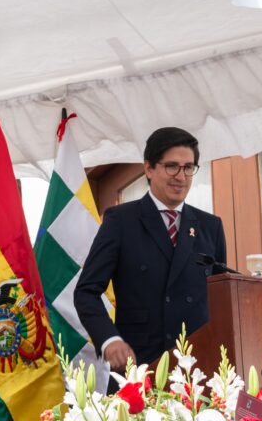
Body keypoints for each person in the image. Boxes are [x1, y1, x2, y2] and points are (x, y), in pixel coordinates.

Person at [74, 126, 227, 374]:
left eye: (189, 167)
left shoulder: (210, 226)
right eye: (172, 166)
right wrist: (109, 339)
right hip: (138, 367)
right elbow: (86, 292)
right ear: (148, 168)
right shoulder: (120, 221)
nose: (181, 176)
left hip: (198, 369)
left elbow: (221, 298)